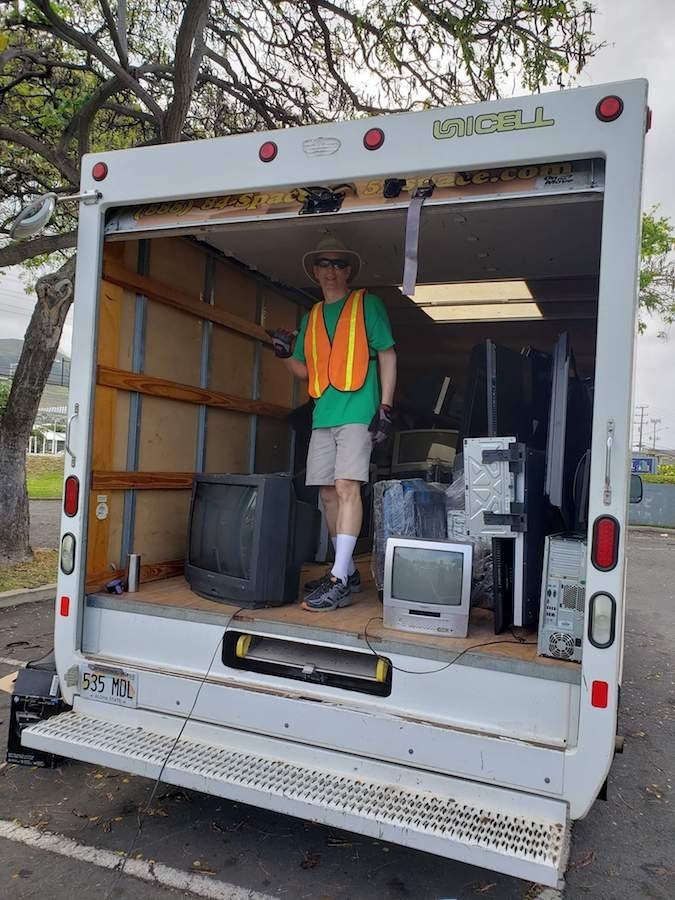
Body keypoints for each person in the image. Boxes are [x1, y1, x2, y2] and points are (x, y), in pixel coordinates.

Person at [270, 237, 396, 611]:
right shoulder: (310, 318)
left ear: (348, 272)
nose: (331, 271)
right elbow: (303, 370)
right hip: (323, 413)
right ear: (315, 271)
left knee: (346, 486)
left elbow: (387, 354)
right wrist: (281, 354)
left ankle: (339, 576)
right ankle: (348, 572)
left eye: (338, 265)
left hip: (358, 409)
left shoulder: (366, 305)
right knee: (326, 494)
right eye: (324, 264)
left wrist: (385, 406)